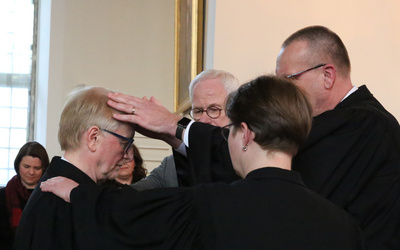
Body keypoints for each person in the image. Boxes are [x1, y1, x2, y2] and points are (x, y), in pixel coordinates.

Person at [106, 26, 400, 249]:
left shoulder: (364, 124)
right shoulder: (351, 121)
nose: (282, 91)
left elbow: (274, 184)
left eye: (288, 80)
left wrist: (175, 126)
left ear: (327, 75)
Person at [41, 75, 366, 249]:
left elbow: (132, 216)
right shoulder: (344, 225)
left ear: (246, 134)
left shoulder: (213, 205)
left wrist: (78, 192)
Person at [14, 86, 134, 250]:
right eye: (124, 143)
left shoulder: (71, 190)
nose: (127, 155)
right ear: (93, 138)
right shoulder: (60, 200)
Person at [131, 69, 240, 190]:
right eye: (198, 111)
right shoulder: (170, 166)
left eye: (214, 109)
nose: (204, 120)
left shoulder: (248, 158)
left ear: (235, 112)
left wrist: (170, 121)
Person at [0, 141, 49, 250]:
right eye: (26, 166)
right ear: (18, 165)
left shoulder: (50, 195)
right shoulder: (3, 195)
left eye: (36, 168)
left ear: (44, 169)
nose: (31, 172)